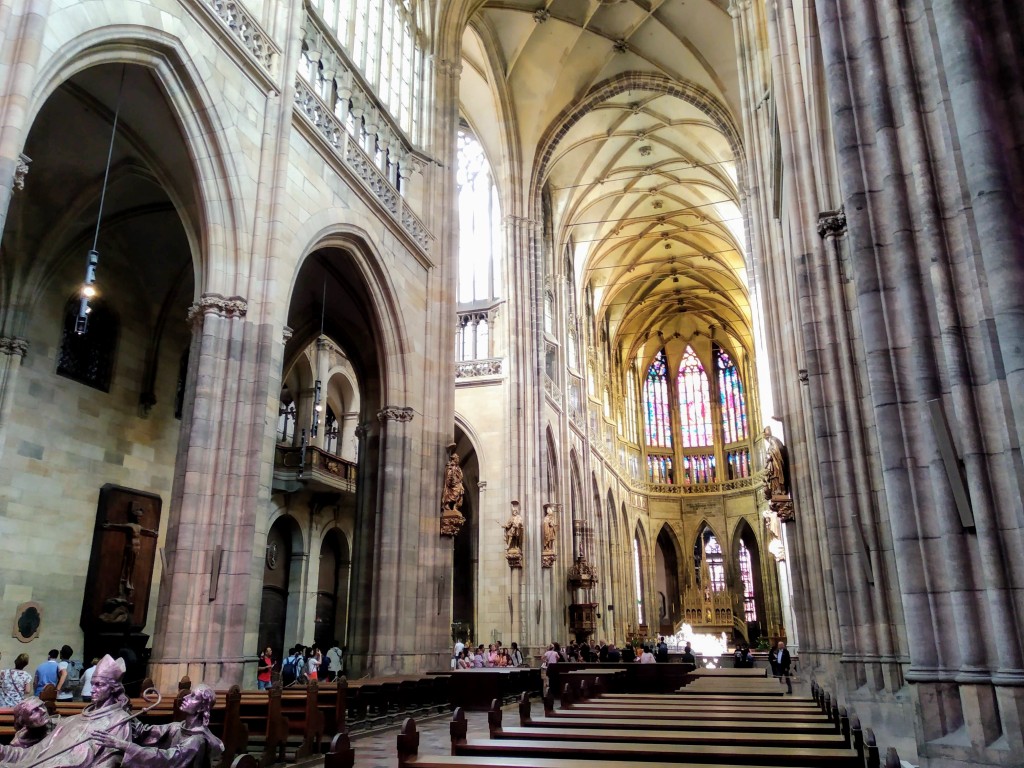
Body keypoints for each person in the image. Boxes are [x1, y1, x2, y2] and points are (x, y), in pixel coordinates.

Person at [0, 654, 138, 767]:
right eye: (92, 684)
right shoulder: (74, 719)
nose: (92, 690)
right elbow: (35, 752)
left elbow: (109, 762)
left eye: (99, 685)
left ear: (113, 688)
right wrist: (4, 751)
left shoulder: (118, 721)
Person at [93, 683, 223, 768]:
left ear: (201, 707)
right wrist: (125, 709)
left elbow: (165, 758)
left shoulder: (197, 740)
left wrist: (122, 745)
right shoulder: (178, 727)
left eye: (194, 697)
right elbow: (145, 732)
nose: (186, 697)